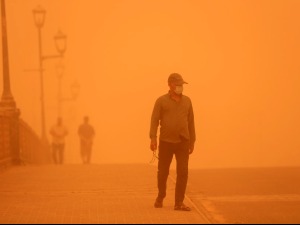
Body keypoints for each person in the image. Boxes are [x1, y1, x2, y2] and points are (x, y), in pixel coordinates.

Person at [149, 73, 196, 211]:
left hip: (183, 141)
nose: (181, 87)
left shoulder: (187, 101)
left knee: (183, 171)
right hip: (166, 141)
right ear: (170, 85)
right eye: (178, 84)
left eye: (182, 84)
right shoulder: (161, 101)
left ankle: (179, 202)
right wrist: (153, 138)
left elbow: (191, 122)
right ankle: (161, 195)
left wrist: (192, 141)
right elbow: (154, 121)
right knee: (163, 172)